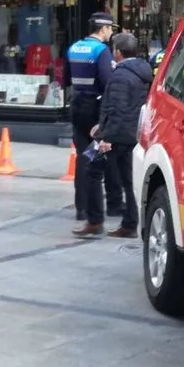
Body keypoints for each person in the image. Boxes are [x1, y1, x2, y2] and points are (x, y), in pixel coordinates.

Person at [73, 32, 153, 238]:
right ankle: (130, 223)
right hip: (131, 133)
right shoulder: (143, 71)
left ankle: (94, 220)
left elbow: (117, 108)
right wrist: (101, 125)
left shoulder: (120, 75)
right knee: (129, 179)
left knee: (90, 167)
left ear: (118, 51)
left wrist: (105, 137)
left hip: (114, 136)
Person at [64, 12, 123, 221]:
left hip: (77, 105)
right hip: (96, 108)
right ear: (103, 28)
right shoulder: (101, 50)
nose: (111, 33)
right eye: (110, 28)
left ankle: (81, 207)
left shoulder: (74, 48)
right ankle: (113, 205)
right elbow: (108, 82)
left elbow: (65, 79)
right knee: (104, 154)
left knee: (83, 155)